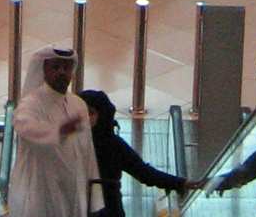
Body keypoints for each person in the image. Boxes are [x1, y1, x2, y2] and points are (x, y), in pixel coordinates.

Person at [10, 47, 104, 217]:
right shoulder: (31, 103)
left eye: (66, 68)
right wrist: (59, 131)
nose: (62, 72)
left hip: (74, 193)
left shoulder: (78, 105)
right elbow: (23, 126)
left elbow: (88, 153)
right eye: (56, 67)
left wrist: (95, 200)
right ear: (44, 70)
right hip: (40, 193)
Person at [79, 88, 191, 217]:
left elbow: (144, 172)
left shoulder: (113, 145)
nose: (85, 118)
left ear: (102, 114)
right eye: (81, 113)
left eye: (90, 113)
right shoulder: (72, 142)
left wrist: (180, 183)